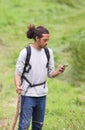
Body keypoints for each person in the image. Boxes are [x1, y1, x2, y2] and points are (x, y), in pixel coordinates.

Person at [14, 24, 67, 130]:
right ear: (37, 38)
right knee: (24, 125)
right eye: (45, 40)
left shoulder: (48, 52)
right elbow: (17, 73)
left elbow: (50, 73)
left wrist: (58, 71)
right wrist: (18, 85)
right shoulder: (26, 52)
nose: (47, 42)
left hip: (42, 94)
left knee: (38, 126)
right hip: (28, 94)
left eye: (48, 40)